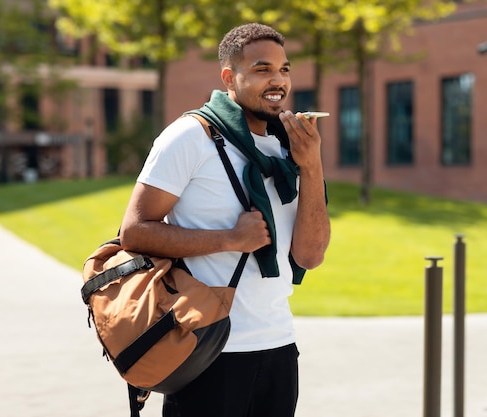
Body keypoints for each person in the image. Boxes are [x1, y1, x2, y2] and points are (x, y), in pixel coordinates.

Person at [119, 23, 331, 417]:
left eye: (285, 69)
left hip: (279, 347)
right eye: (263, 69)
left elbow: (310, 255)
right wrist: (229, 239)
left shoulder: (289, 149)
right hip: (207, 349)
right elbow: (134, 232)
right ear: (230, 78)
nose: (278, 81)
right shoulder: (189, 136)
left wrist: (313, 165)